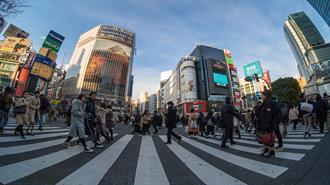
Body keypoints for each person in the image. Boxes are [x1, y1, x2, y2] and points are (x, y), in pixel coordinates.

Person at [257, 90, 277, 157]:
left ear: (265, 95)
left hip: (267, 124)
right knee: (265, 138)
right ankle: (266, 150)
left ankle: (271, 152)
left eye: (262, 95)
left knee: (268, 139)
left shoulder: (268, 102)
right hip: (264, 123)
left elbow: (269, 114)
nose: (261, 96)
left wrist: (267, 124)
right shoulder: (265, 102)